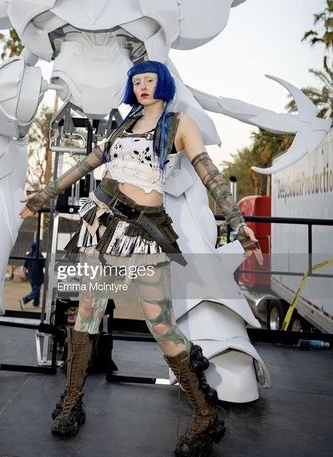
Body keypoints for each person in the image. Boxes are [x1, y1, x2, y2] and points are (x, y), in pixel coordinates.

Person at [19, 61, 261, 457]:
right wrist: (46, 193)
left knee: (161, 324)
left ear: (162, 83)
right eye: (137, 81)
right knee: (86, 314)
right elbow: (89, 162)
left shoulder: (180, 123)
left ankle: (204, 414)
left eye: (149, 79)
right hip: (101, 221)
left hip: (145, 232)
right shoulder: (123, 124)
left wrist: (236, 220)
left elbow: (210, 173)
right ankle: (71, 403)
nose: (143, 86)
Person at [20, 241, 45, 309]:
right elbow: (44, 264)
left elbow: (24, 266)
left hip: (30, 276)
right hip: (38, 276)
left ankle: (36, 304)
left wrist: (24, 274)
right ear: (38, 247)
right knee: (36, 291)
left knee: (35, 289)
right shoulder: (39, 255)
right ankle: (24, 300)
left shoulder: (28, 255)